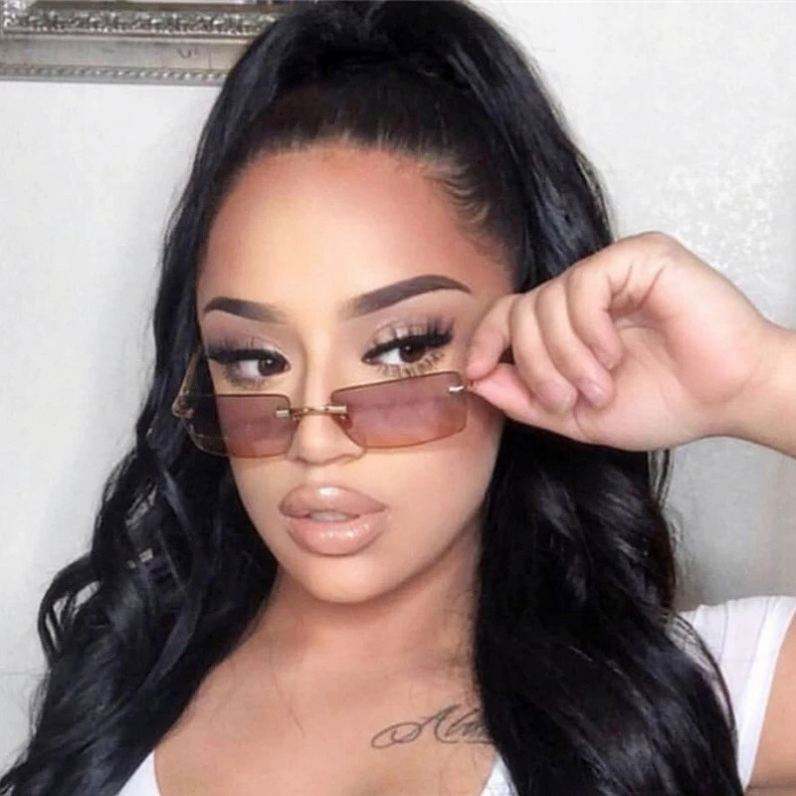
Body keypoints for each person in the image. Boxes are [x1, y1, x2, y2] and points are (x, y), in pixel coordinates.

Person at [2, 1, 794, 794]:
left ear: (522, 334)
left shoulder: (671, 701)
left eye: (403, 349)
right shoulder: (120, 693)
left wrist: (753, 380)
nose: (315, 440)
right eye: (253, 359)